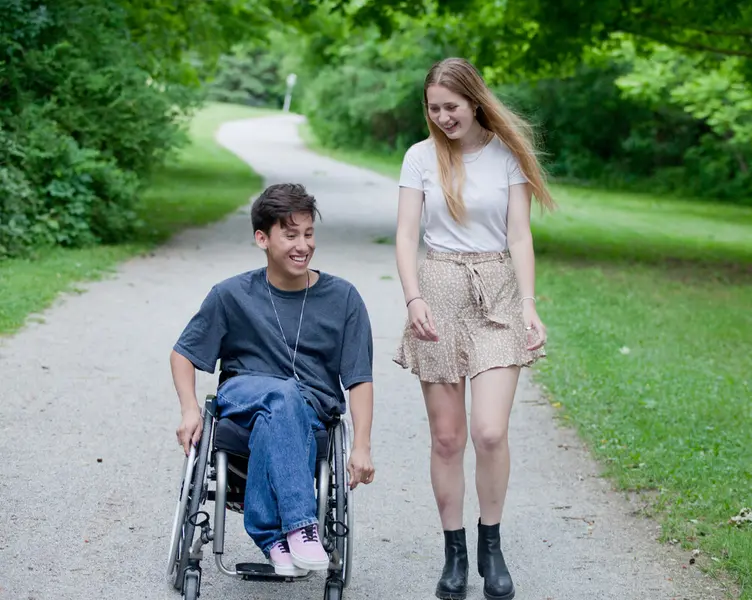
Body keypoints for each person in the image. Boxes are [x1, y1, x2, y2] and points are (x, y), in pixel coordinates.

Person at [393, 57, 556, 600]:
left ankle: (492, 543)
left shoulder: (507, 156)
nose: (442, 118)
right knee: (447, 438)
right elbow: (405, 235)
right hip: (437, 289)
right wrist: (413, 297)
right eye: (433, 108)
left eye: (451, 107)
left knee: (488, 431)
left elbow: (520, 237)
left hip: (498, 293)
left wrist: (529, 305)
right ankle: (455, 554)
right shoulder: (419, 158)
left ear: (475, 101)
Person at [170, 182, 376, 578]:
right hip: (242, 397)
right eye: (291, 234)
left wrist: (362, 445)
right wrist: (189, 409)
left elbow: (359, 378)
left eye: (309, 233)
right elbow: (183, 354)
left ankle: (272, 540)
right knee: (281, 395)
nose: (303, 245)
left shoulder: (344, 299)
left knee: (281, 411)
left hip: (309, 413)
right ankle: (299, 525)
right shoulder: (231, 295)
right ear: (262, 238)